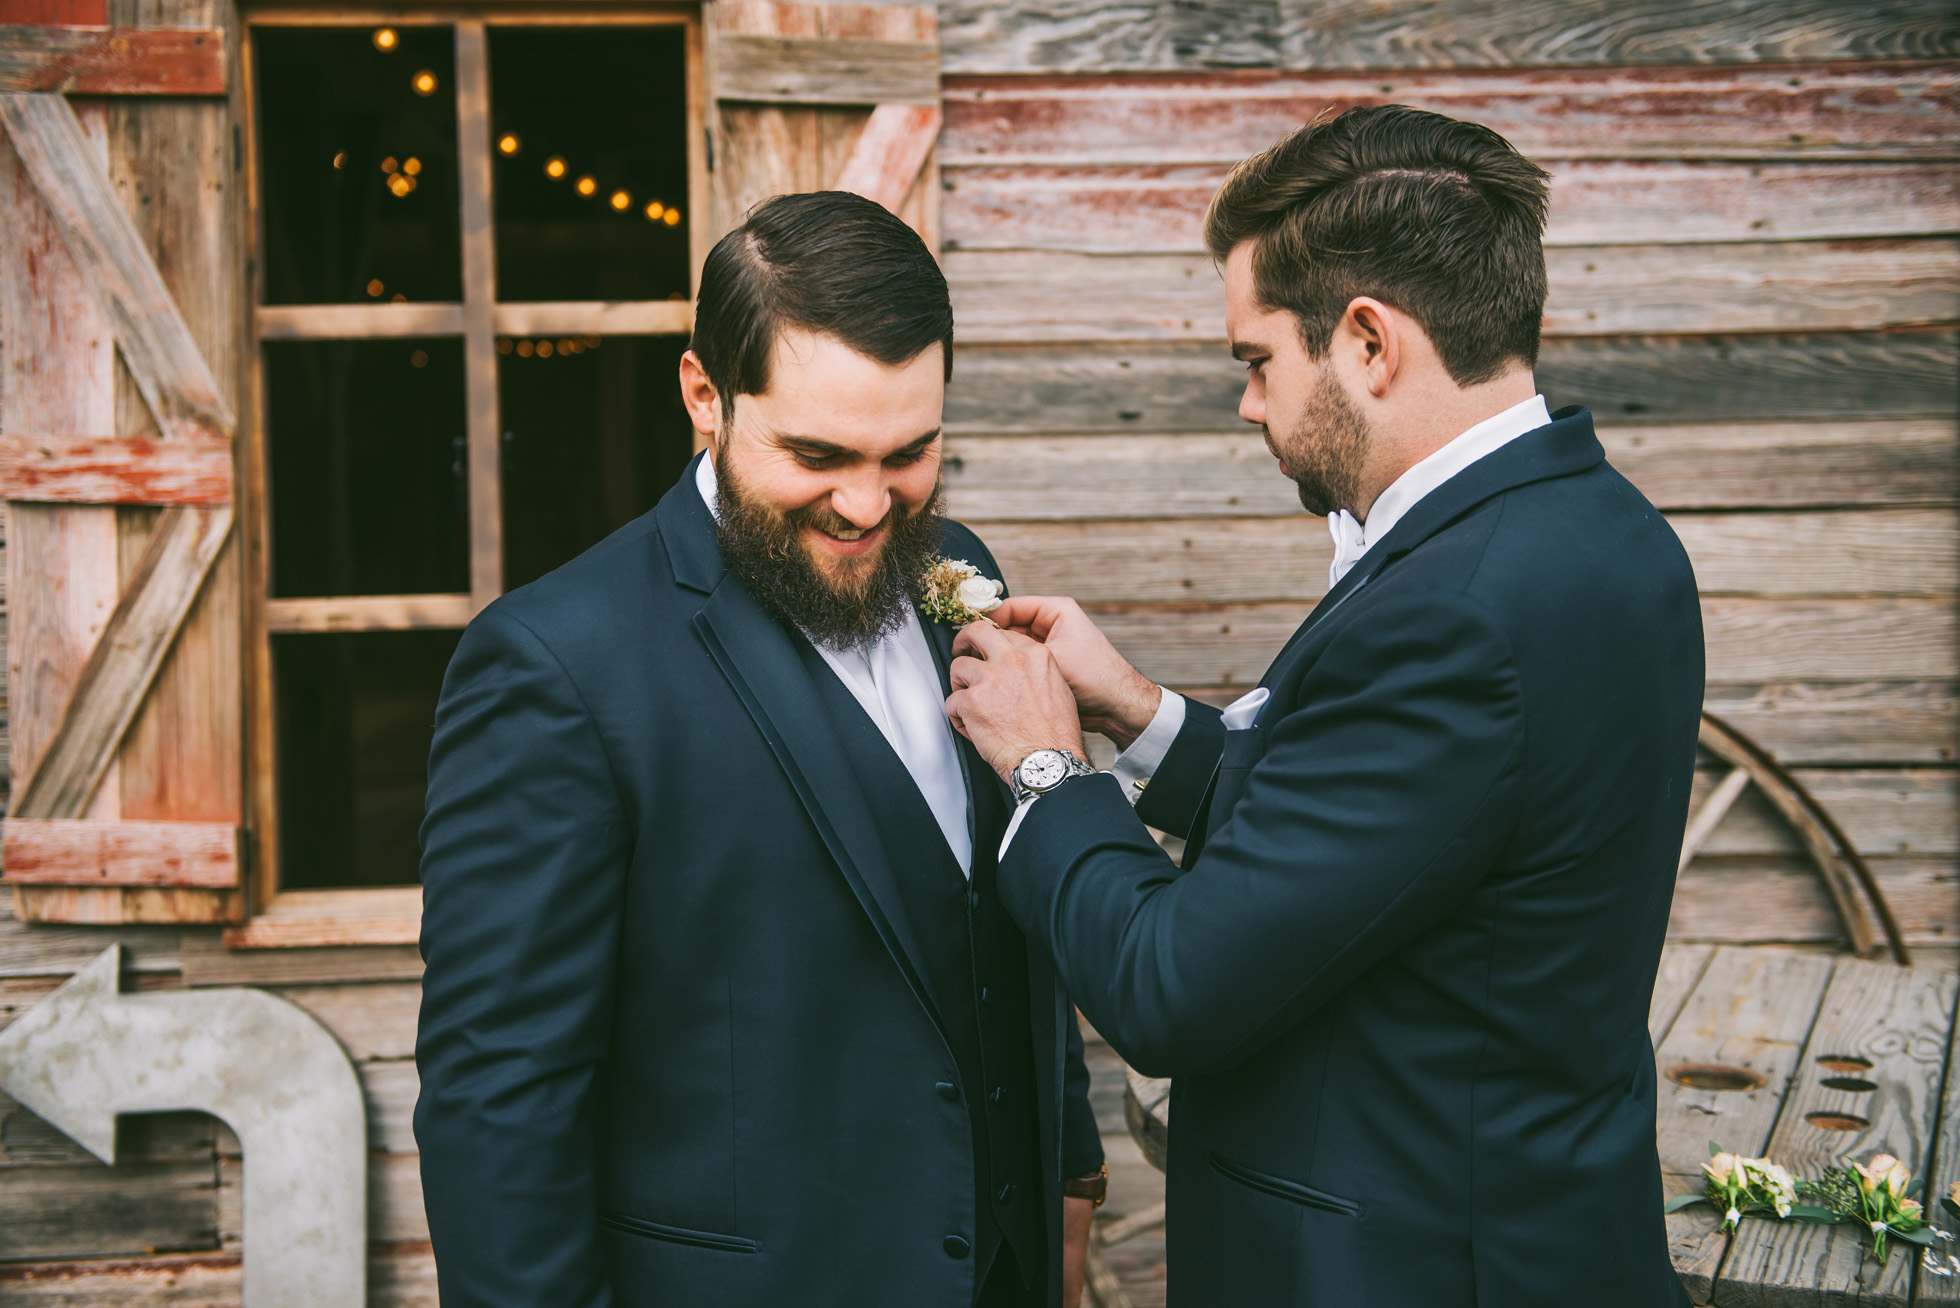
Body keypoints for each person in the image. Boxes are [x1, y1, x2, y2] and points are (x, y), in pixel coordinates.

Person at [943, 106, 1703, 1306]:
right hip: (1535, 1222)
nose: (1248, 405)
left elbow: (1170, 987)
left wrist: (1049, 768)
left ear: (1365, 342)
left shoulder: (1453, 610)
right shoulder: (1604, 532)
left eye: (1256, 361)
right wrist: (1140, 714)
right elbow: (1401, 831)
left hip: (1403, 1263)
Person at [415, 190, 1103, 1308]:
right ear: (704, 395)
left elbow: (1003, 923)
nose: (867, 504)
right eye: (818, 453)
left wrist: (1066, 1176)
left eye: (910, 452)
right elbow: (500, 1100)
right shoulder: (555, 665)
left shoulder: (959, 567)